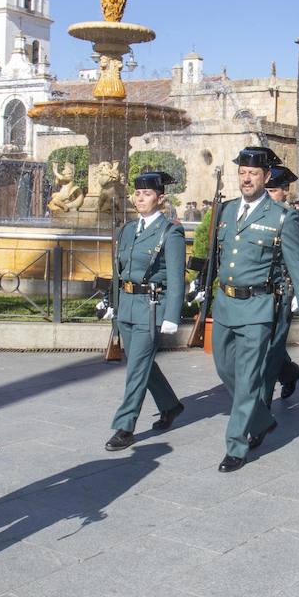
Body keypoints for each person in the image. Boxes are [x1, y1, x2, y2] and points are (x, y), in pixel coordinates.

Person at [208, 147, 299, 473]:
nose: (246, 177)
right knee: (224, 368)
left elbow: (298, 265)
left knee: (247, 379)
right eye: (243, 171)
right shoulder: (227, 211)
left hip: (258, 307)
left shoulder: (281, 217)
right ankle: (260, 418)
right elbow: (220, 256)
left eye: (254, 173)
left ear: (267, 177)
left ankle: (236, 444)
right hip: (226, 303)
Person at [104, 171, 186, 450]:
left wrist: (172, 315)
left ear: (160, 198)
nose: (140, 198)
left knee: (136, 367)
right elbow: (120, 272)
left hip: (151, 309)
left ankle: (124, 427)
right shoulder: (128, 229)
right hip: (126, 306)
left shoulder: (170, 232)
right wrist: (111, 302)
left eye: (147, 194)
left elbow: (176, 277)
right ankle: (170, 405)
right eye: (137, 193)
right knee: (141, 364)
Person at [261, 165, 299, 404]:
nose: (267, 194)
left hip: (282, 292)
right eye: (265, 190)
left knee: (271, 349)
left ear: (285, 191)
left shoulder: (297, 220)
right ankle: (290, 372)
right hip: (257, 293)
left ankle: (261, 409)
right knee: (264, 346)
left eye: (272, 190)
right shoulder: (257, 216)